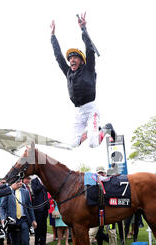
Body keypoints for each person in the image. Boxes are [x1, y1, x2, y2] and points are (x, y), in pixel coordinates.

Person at [50, 13, 116, 148]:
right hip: (78, 112)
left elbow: (89, 49)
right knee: (73, 144)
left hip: (91, 110)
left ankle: (106, 128)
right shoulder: (68, 72)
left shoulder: (89, 69)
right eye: (70, 58)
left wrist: (83, 29)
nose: (71, 60)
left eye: (75, 57)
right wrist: (53, 36)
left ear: (81, 61)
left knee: (93, 143)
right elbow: (58, 56)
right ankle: (94, 132)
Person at [0, 179, 37, 245]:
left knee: (25, 241)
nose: (20, 183)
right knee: (14, 242)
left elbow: (29, 207)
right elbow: (2, 207)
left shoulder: (25, 192)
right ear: (13, 183)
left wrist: (33, 220)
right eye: (18, 182)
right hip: (12, 221)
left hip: (23, 220)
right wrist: (3, 218)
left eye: (21, 181)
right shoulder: (8, 192)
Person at [30, 176, 49, 245]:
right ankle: (37, 242)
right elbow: (35, 190)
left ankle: (43, 241)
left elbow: (47, 190)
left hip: (45, 207)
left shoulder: (44, 179)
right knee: (38, 225)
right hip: (38, 207)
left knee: (44, 225)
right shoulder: (34, 181)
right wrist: (41, 184)